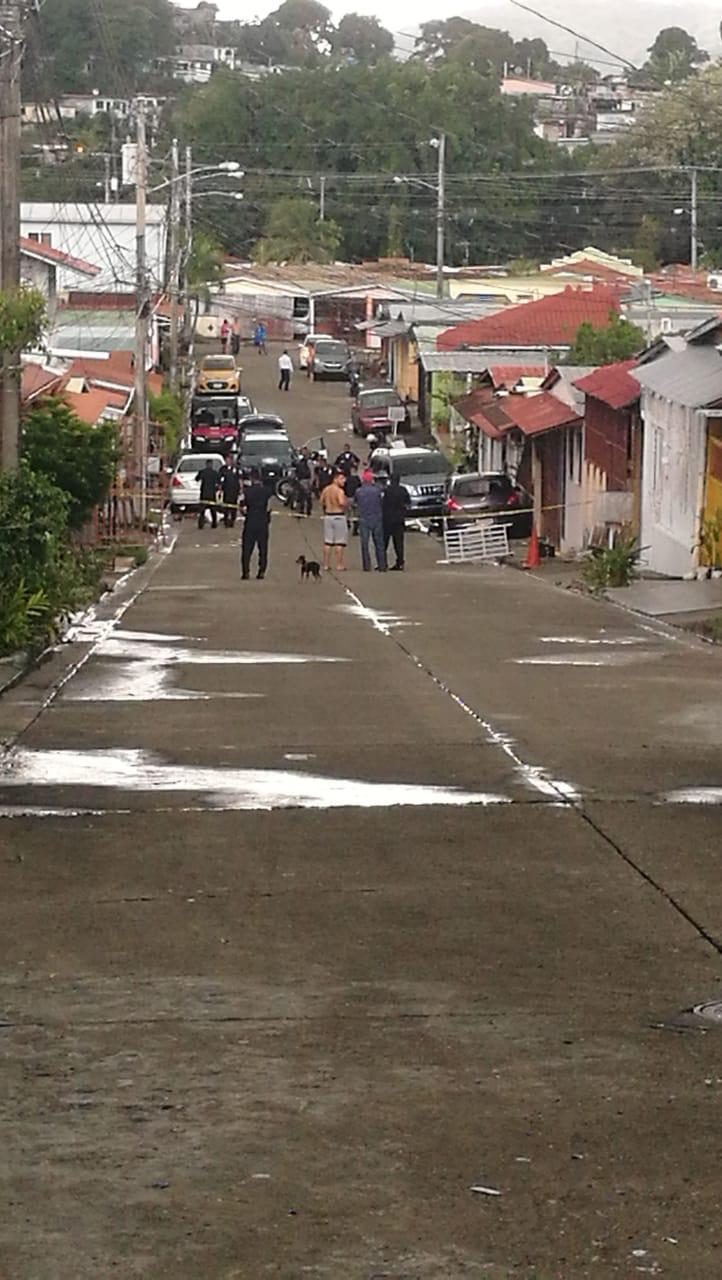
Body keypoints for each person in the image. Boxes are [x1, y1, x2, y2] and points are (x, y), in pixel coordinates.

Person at [240, 468, 272, 580]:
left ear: (251, 479)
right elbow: (269, 508)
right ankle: (261, 571)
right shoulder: (267, 492)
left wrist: (246, 513)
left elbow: (242, 507)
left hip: (250, 521)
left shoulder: (247, 492)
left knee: (247, 548)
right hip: (262, 522)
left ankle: (246, 572)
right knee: (263, 548)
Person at [355, 469, 386, 572]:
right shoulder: (378, 490)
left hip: (364, 518)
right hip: (377, 517)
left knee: (365, 544)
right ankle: (382, 565)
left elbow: (356, 503)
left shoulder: (359, 491)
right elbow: (382, 502)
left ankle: (366, 566)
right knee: (379, 543)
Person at [319, 468, 349, 572]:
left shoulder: (326, 489)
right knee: (339, 543)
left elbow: (321, 500)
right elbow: (341, 502)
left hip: (328, 516)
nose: (344, 481)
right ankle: (339, 564)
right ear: (335, 479)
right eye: (342, 479)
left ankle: (326, 564)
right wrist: (346, 504)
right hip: (338, 516)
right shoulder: (339, 491)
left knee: (328, 542)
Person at [383, 473, 411, 571]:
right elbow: (408, 503)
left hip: (387, 519)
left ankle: (383, 563)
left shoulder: (387, 490)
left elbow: (383, 503)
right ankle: (400, 562)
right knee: (399, 543)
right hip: (399, 519)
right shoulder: (403, 490)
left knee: (384, 542)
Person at [218, 455, 242, 529]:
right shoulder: (222, 469)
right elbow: (220, 480)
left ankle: (232, 521)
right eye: (226, 460)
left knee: (233, 507)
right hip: (226, 491)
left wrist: (241, 488)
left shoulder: (237, 469)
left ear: (232, 461)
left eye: (229, 460)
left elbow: (240, 479)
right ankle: (226, 521)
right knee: (226, 507)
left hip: (234, 491)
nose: (228, 462)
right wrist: (220, 489)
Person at [196, 459, 219, 530]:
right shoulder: (215, 473)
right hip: (212, 494)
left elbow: (197, 479)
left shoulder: (202, 472)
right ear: (211, 464)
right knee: (213, 510)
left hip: (204, 494)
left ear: (206, 464)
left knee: (202, 511)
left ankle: (201, 525)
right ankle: (214, 524)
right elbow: (218, 482)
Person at [293, 447, 313, 517]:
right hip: (300, 479)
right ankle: (301, 510)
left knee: (307, 496)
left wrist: (311, 481)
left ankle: (308, 511)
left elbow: (311, 472)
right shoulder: (300, 461)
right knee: (301, 496)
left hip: (306, 480)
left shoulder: (309, 462)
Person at [344, 462, 361, 537]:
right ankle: (355, 530)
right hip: (355, 498)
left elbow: (344, 487)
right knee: (356, 515)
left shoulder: (347, 479)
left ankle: (347, 525)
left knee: (348, 513)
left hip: (348, 497)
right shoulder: (357, 479)